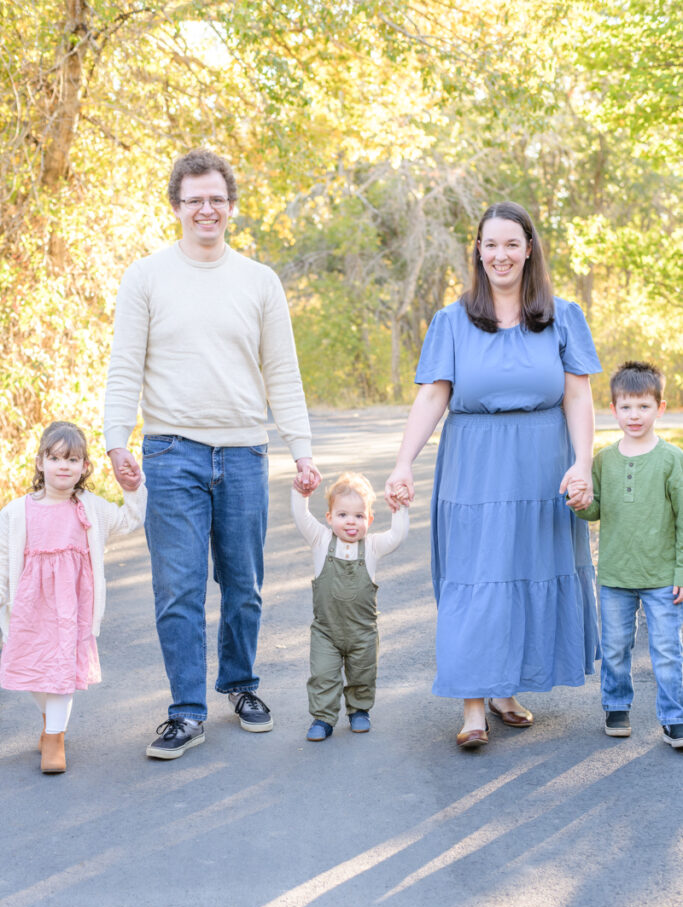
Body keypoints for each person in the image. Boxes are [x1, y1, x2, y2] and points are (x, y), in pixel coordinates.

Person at [104, 148, 321, 760]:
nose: (207, 208)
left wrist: (301, 450)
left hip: (245, 453)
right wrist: (117, 439)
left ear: (231, 206)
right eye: (194, 198)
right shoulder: (146, 276)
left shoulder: (259, 281)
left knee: (244, 584)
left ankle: (241, 684)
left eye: (216, 199)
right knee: (178, 588)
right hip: (171, 452)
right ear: (176, 206)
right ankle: (186, 711)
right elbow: (124, 366)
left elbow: (283, 373)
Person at [385, 200, 601, 749]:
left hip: (542, 464)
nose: (500, 255)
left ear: (529, 249)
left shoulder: (563, 314)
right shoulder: (452, 321)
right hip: (475, 466)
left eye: (511, 244)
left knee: (526, 573)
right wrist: (403, 463)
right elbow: (434, 396)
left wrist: (582, 462)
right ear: (477, 253)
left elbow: (578, 394)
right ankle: (474, 706)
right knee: (478, 579)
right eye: (490, 245)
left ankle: (506, 690)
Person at [0, 421, 146, 773]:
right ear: (40, 463)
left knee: (62, 669)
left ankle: (54, 736)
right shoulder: (16, 513)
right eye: (55, 458)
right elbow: (4, 561)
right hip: (29, 608)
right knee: (33, 669)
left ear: (84, 467)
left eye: (72, 459)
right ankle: (51, 720)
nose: (63, 466)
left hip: (73, 608)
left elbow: (130, 520)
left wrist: (133, 487)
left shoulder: (91, 508)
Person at [571, 361, 683, 748]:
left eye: (644, 406)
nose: (634, 415)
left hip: (663, 578)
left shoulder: (672, 460)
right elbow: (594, 510)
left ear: (661, 408)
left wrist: (681, 571)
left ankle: (674, 717)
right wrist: (578, 501)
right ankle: (616, 706)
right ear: (613, 409)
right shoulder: (602, 460)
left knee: (667, 650)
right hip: (616, 577)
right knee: (616, 647)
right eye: (626, 407)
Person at [292, 472, 409, 740]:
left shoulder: (372, 546)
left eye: (359, 516)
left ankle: (359, 711)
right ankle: (323, 718)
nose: (351, 522)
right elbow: (301, 517)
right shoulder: (321, 541)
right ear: (330, 517)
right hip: (326, 631)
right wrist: (301, 493)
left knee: (363, 675)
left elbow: (397, 536)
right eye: (343, 515)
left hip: (362, 632)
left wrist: (399, 508)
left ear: (368, 519)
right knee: (323, 676)